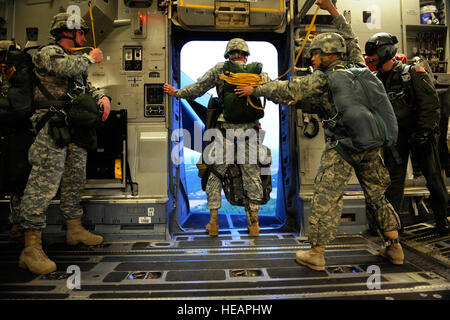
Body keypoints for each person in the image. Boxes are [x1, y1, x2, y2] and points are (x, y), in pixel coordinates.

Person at [236, 0, 404, 270]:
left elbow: (287, 90)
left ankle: (317, 252)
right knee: (377, 196)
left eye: (315, 54)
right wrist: (332, 10)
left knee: (326, 197)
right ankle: (395, 247)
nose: (312, 58)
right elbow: (349, 37)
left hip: (342, 148)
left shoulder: (322, 79)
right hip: (371, 146)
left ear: (327, 55)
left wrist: (254, 90)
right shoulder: (357, 65)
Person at [17, 12, 111, 275]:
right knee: (43, 183)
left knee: (74, 177)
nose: (84, 36)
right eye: (81, 31)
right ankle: (31, 247)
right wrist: (90, 58)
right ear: (68, 31)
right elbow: (65, 69)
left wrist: (101, 97)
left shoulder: (74, 59)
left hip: (74, 127)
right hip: (51, 126)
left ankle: (74, 229)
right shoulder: (47, 53)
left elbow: (85, 84)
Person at [164, 38, 271, 237]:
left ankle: (213, 224)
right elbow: (273, 90)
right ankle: (254, 225)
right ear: (246, 55)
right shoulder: (257, 73)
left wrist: (175, 92)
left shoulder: (220, 70)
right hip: (250, 133)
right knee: (252, 176)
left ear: (228, 54)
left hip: (224, 133)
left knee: (214, 173)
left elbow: (197, 89)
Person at [365, 33, 449, 236]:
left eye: (373, 54)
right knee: (393, 185)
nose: (370, 58)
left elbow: (430, 104)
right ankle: (392, 228)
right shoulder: (376, 81)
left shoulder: (412, 73)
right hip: (396, 139)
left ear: (384, 51)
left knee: (434, 180)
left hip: (420, 135)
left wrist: (423, 133)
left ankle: (442, 222)